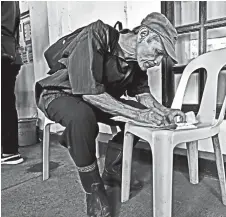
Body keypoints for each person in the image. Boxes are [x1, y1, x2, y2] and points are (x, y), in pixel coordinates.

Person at [35, 12, 186, 217]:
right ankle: (94, 189)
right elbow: (88, 92)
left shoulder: (137, 61)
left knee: (141, 113)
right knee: (82, 117)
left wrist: (165, 112)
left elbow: (143, 96)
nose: (158, 61)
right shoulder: (97, 35)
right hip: (59, 94)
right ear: (143, 34)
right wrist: (138, 116)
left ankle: (113, 170)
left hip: (95, 101)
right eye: (158, 52)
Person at [1, 1, 24, 165]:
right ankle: (9, 150)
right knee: (6, 102)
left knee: (5, 102)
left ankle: (9, 151)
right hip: (9, 52)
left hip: (3, 51)